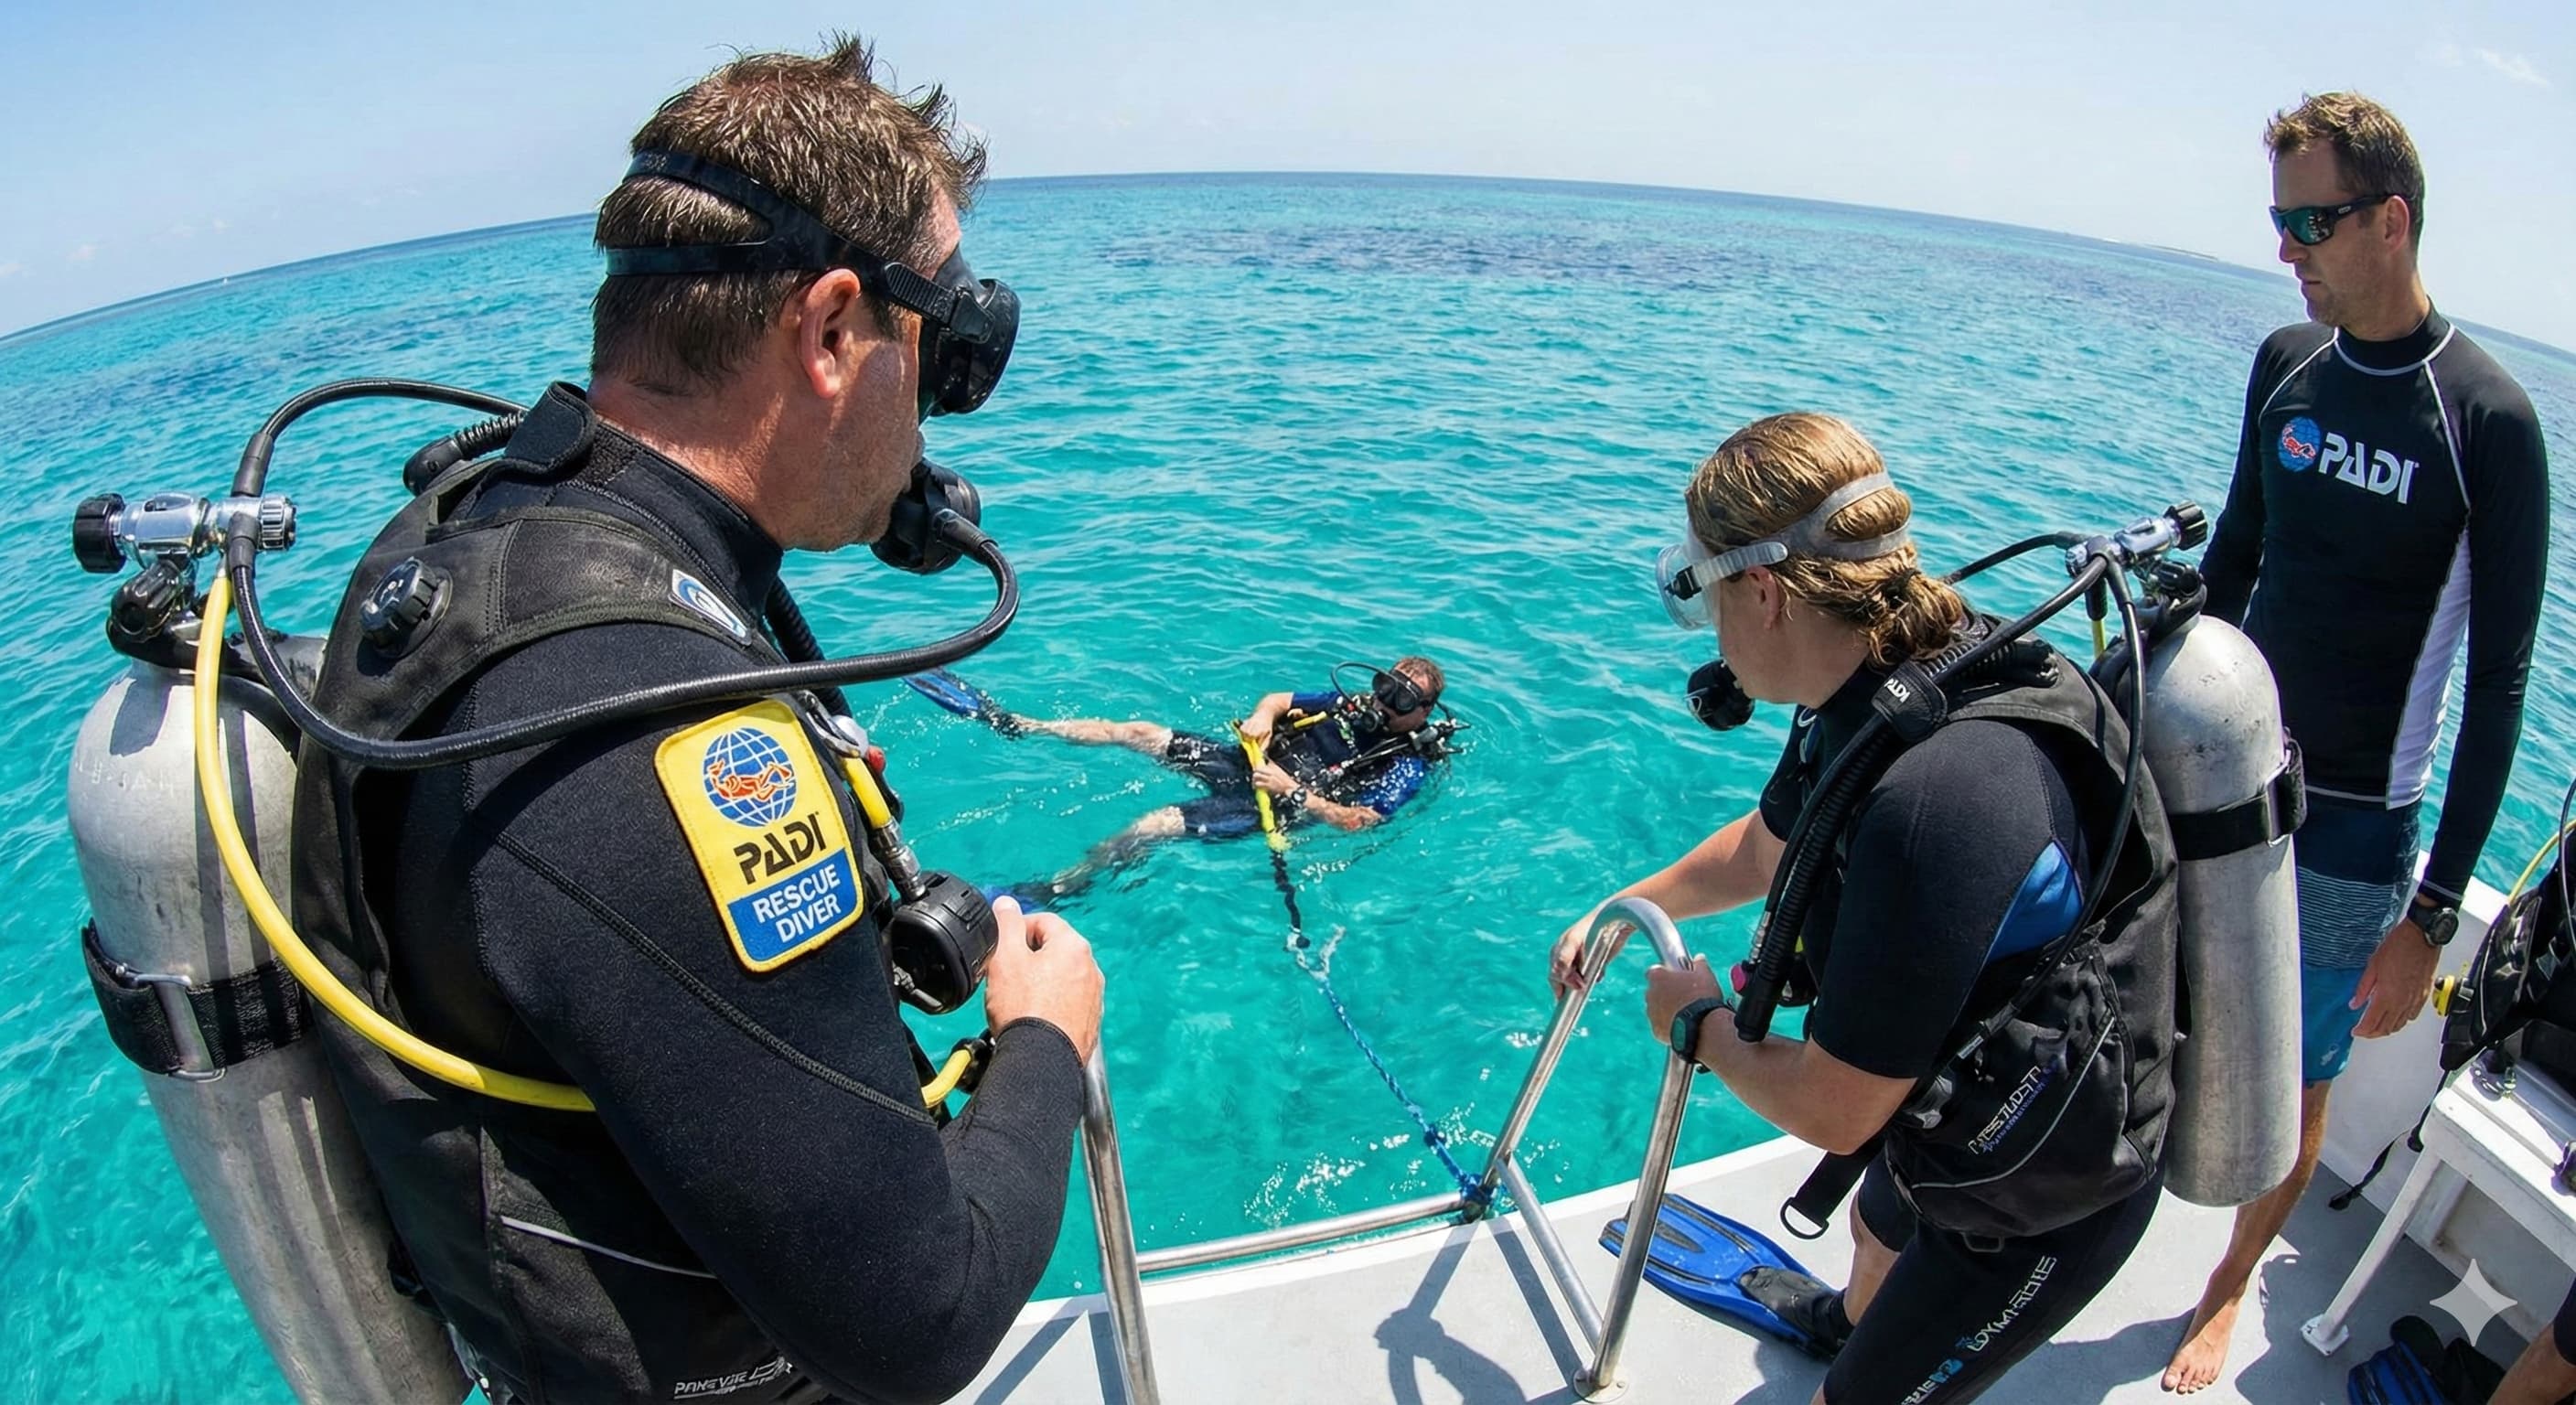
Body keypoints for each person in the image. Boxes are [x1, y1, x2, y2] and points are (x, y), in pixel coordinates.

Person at [286, 39, 1105, 1405]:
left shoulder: (500, 528)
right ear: (835, 331)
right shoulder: (641, 731)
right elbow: (917, 1322)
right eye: (942, 343)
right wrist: (1041, 1043)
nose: (942, 410)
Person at [1556, 413, 2181, 1405]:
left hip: (2040, 1186)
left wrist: (1695, 1027)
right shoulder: (1883, 681)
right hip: (1951, 1079)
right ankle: (1845, 1315)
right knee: (1876, 1226)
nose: (1710, 634)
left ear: (1760, 592)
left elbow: (1835, 1110)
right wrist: (1624, 905)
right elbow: (1771, 846)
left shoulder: (1938, 798)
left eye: (1706, 600)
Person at [2163, 92, 2552, 1395]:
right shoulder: (2285, 363)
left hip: (2355, 823)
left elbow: (2498, 683)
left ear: (2392, 219)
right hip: (2217, 776)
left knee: (2298, 1072)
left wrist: (2432, 914)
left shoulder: (2486, 421)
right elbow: (2229, 572)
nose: (2289, 250)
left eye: (2312, 221)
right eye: (2278, 223)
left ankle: (2224, 1289)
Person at [913, 658, 1451, 903]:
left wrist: (1293, 793)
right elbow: (1281, 700)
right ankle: (1018, 724)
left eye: (1401, 699)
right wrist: (1264, 718)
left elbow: (1361, 821)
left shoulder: (1406, 762)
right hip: (1246, 761)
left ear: (1422, 712)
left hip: (1274, 802)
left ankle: (1055, 889)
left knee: (1149, 827)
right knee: (1137, 731)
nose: (1383, 702)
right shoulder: (1345, 702)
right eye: (1384, 686)